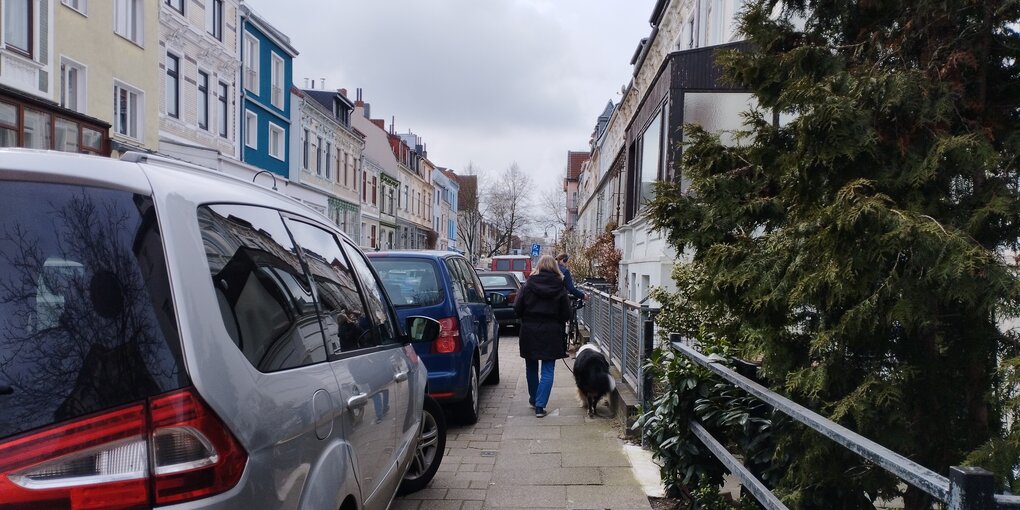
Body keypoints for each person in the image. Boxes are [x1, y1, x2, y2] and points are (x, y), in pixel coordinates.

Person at [514, 254, 572, 418]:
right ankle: (540, 405)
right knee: (548, 369)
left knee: (531, 367)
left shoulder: (527, 286)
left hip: (529, 331)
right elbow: (566, 313)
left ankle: (534, 398)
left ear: (538, 267)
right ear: (554, 267)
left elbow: (517, 308)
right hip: (552, 332)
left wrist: (526, 318)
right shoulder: (560, 287)